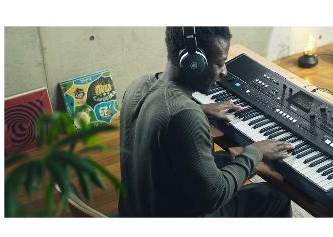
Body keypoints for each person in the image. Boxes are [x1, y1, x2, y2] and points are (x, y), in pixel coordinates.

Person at [118, 26, 294, 217]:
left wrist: (200, 109)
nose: (224, 72)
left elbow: (160, 116)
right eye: (220, 63)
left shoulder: (138, 85)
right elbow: (215, 197)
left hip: (136, 209)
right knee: (274, 196)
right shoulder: (185, 115)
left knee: (226, 159)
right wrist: (255, 152)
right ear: (194, 63)